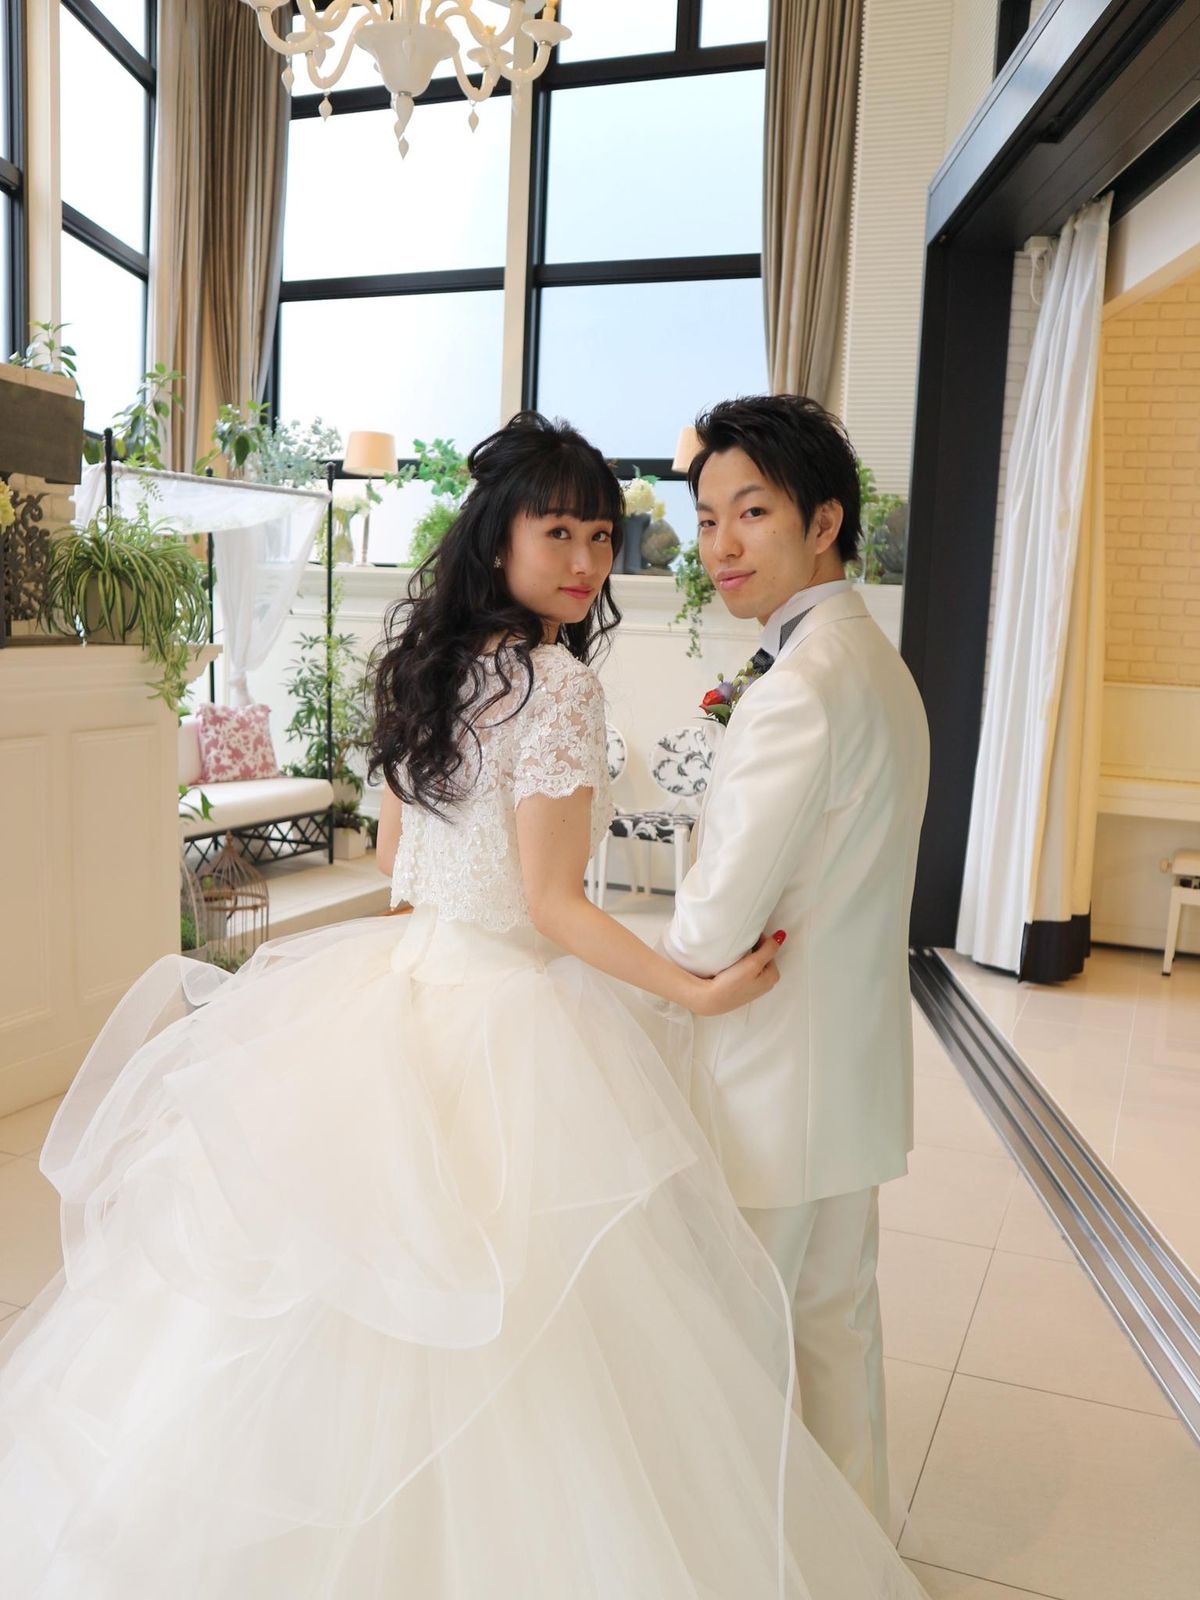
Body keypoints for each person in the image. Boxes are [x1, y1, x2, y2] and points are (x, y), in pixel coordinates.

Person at [0, 412, 925, 1598]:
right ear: (500, 541)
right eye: (559, 532)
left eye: (602, 535)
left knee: (343, 1294)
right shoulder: (560, 686)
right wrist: (687, 987)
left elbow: (398, 864)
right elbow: (551, 904)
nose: (587, 560)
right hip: (508, 1011)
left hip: (401, 988)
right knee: (537, 1320)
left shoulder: (425, 670)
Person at [664, 395, 931, 1530]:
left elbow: (709, 927)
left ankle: (755, 1561)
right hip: (849, 1073)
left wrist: (652, 958)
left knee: (743, 1344)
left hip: (770, 1080)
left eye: (752, 512)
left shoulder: (796, 694)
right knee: (836, 1328)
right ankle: (854, 1558)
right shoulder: (876, 664)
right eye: (707, 518)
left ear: (824, 521)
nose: (720, 545)